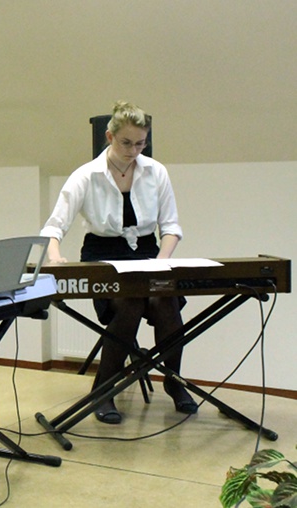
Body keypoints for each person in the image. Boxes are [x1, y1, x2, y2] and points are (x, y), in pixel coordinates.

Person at [39, 101, 197, 424]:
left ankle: (174, 381)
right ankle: (105, 390)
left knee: (166, 303)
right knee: (128, 303)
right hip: (103, 254)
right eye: (126, 142)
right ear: (109, 136)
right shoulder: (86, 175)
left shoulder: (156, 172)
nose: (133, 151)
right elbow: (54, 227)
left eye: (140, 143)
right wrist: (56, 259)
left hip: (148, 254)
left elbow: (171, 227)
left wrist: (161, 262)